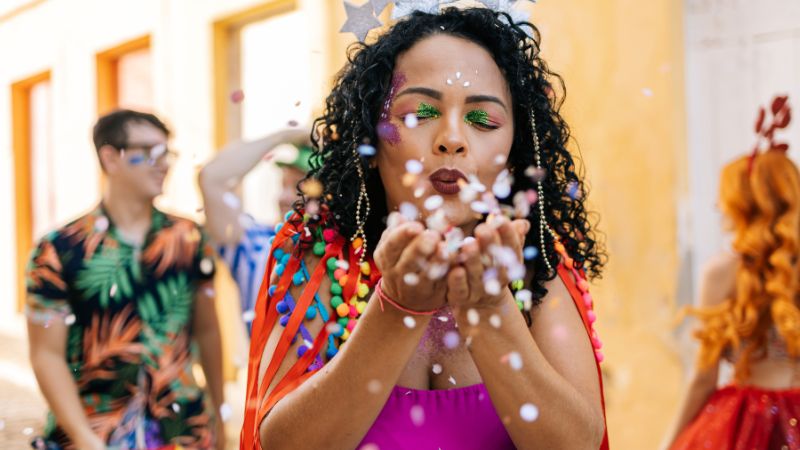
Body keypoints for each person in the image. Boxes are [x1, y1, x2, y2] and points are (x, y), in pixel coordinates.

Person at [241, 6, 608, 450]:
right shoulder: (317, 252)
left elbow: (578, 443)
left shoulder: (540, 265)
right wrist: (396, 308)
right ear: (370, 141)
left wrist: (490, 311)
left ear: (512, 154)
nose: (451, 139)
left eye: (483, 120)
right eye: (418, 114)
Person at [26, 109, 226, 449]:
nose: (164, 163)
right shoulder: (58, 250)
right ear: (111, 158)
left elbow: (207, 329)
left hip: (182, 430)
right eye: (149, 151)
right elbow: (47, 354)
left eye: (168, 153)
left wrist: (219, 415)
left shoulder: (189, 238)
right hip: (95, 430)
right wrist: (83, 437)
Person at [663, 96, 800, 449]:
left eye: (724, 196)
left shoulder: (721, 271)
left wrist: (668, 442)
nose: (716, 206)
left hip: (745, 423)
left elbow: (704, 379)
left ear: (744, 203)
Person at [199, 129, 310, 327]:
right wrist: (285, 136)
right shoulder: (255, 245)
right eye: (283, 185)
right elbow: (211, 177)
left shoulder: (352, 255)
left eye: (299, 189)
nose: (283, 197)